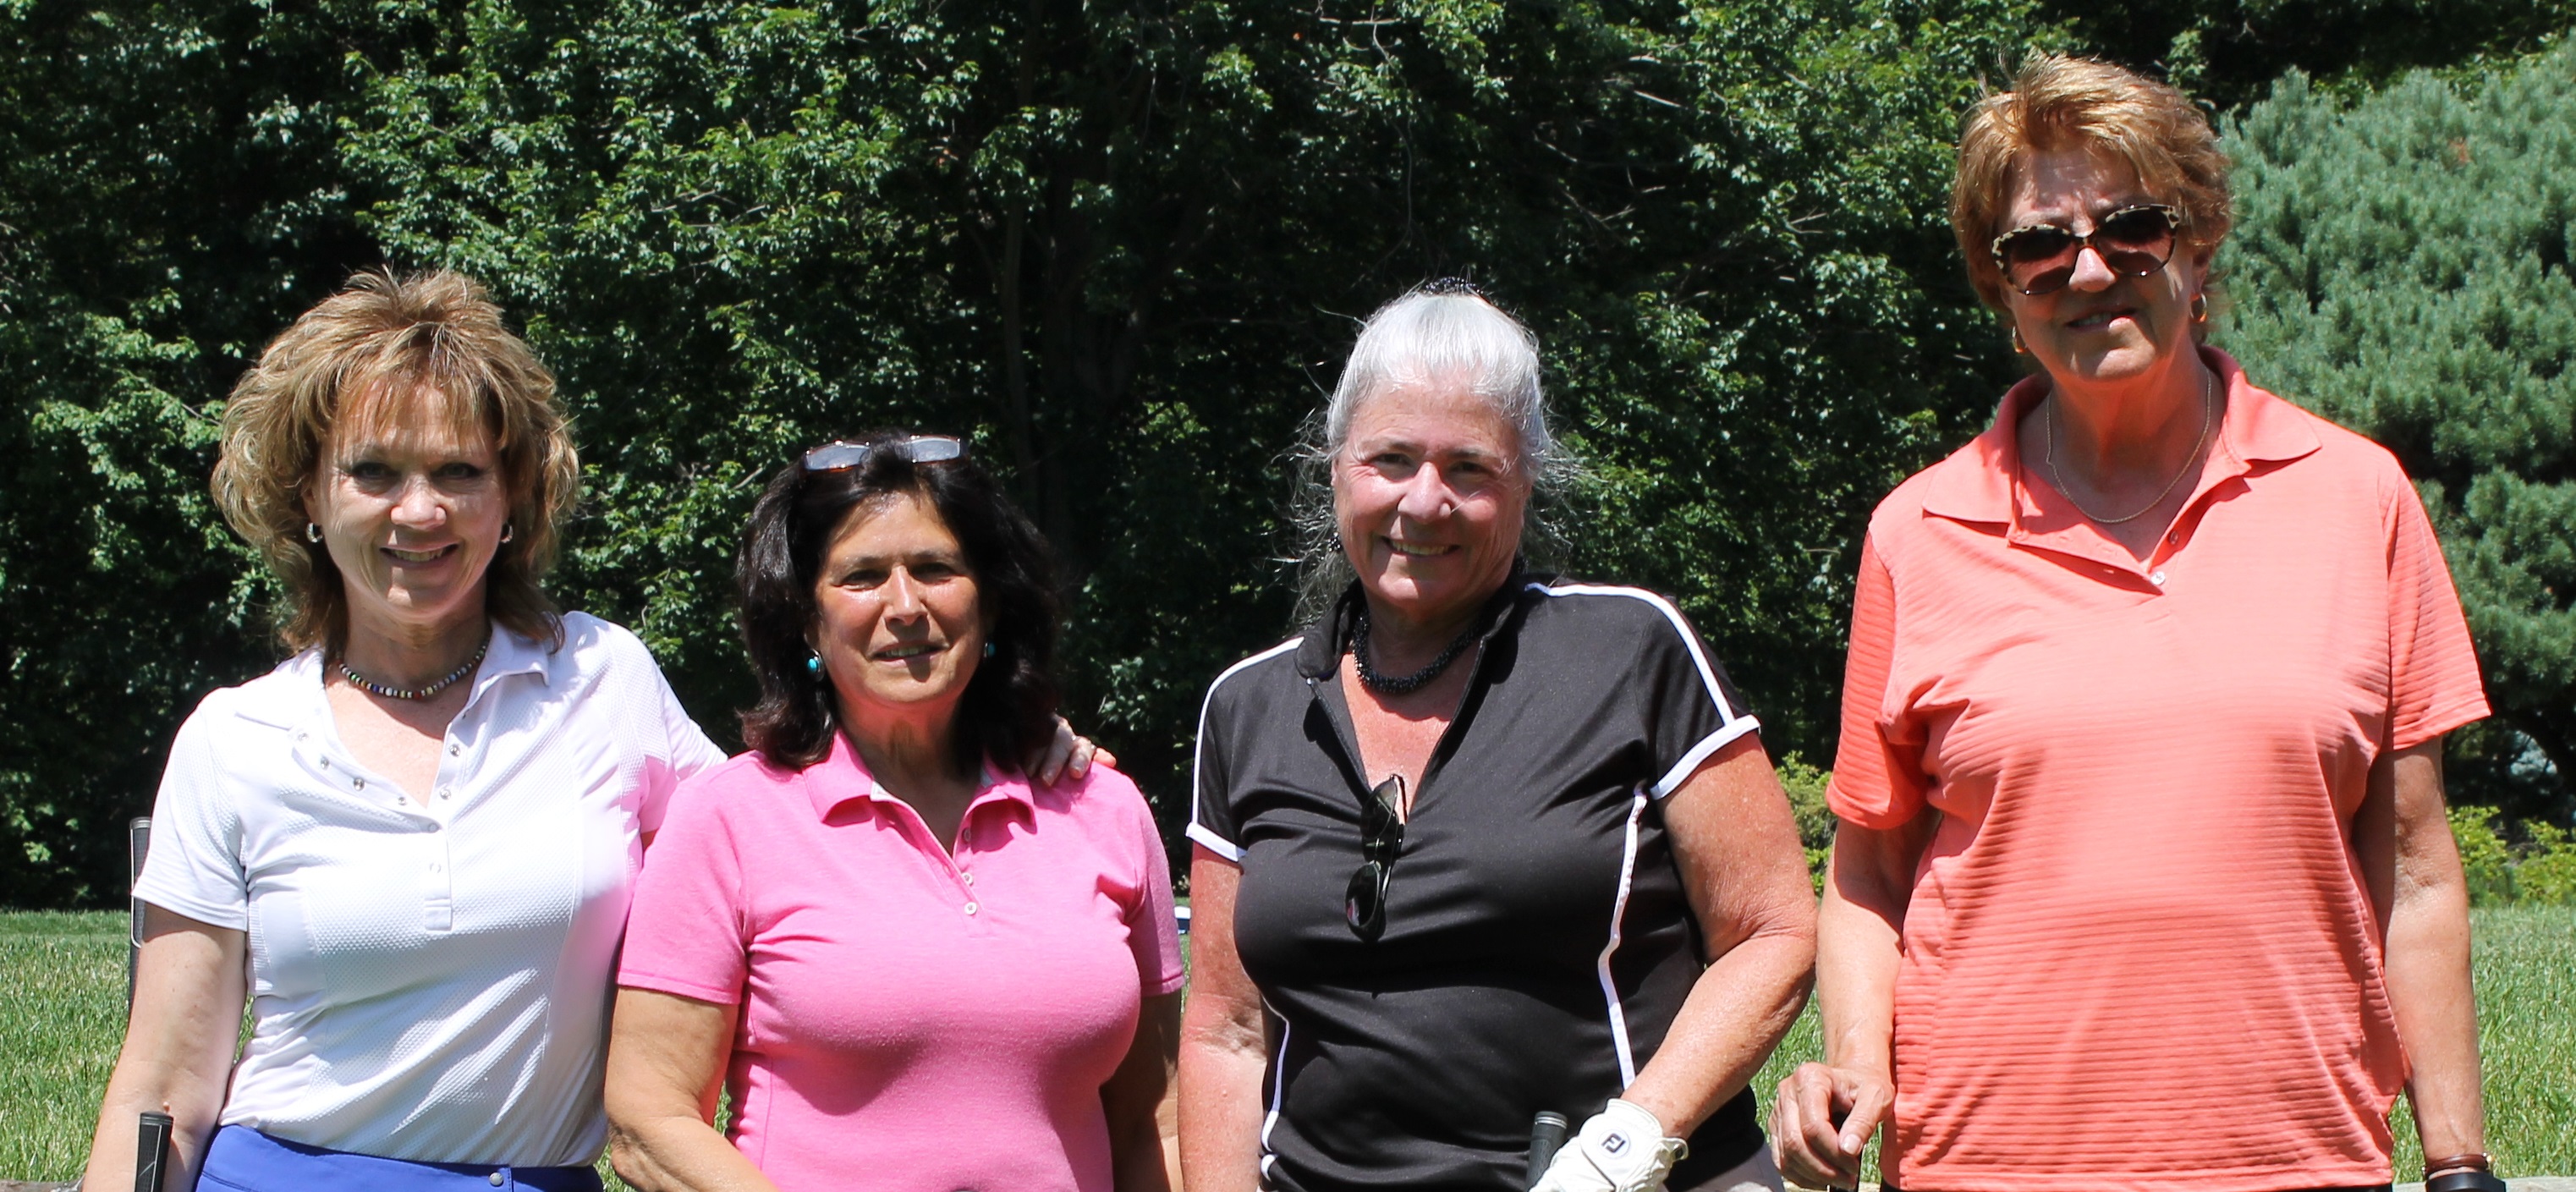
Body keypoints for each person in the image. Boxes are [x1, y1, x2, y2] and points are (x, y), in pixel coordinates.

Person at [1772, 54, 2499, 1192]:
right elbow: (1868, 866)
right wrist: (1854, 1066)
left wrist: (2458, 1162)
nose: (2089, 268)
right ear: (2001, 292)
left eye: (2134, 226)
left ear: (2198, 246)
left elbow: (2414, 867)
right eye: (2037, 246)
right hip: (1983, 1165)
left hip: (2290, 1161)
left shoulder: (2357, 497)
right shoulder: (1915, 533)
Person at [77, 268, 722, 1191]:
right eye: (373, 469)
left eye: (459, 470)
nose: (418, 510)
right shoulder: (236, 737)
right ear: (308, 494)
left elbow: (760, 865)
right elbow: (166, 1084)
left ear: (512, 499)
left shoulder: (601, 677)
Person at [1176, 288, 1818, 1192]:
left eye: (1469, 469)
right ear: (1335, 470)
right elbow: (1227, 1027)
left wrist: (1625, 1147)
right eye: (1390, 459)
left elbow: (1773, 931)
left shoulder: (1630, 650)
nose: (1425, 502)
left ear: (1526, 479)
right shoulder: (1246, 706)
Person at [602, 431, 1185, 1192]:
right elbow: (649, 1119)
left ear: (992, 600)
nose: (905, 606)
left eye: (936, 569)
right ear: (806, 621)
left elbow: (1157, 1122)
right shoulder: (730, 817)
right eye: (862, 576)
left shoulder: (1101, 807)